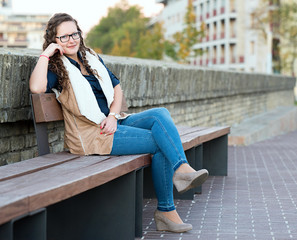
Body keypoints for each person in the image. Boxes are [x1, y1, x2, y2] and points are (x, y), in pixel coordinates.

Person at [29, 13, 209, 233]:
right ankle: (167, 208)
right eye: (64, 37)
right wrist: (46, 54)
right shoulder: (58, 69)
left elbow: (116, 88)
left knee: (159, 114)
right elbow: (37, 88)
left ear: (80, 33)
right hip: (92, 135)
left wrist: (113, 116)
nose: (71, 40)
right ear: (54, 40)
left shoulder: (90, 58)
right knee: (160, 142)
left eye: (74, 34)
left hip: (112, 123)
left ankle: (181, 171)